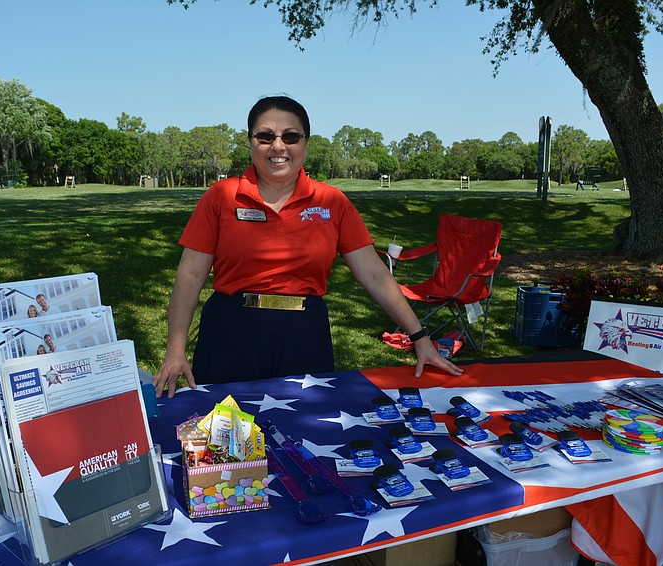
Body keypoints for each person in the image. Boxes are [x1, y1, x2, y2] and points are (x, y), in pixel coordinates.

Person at [154, 95, 462, 398]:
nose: (278, 146)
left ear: (305, 142)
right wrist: (175, 351)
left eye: (290, 136)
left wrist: (419, 337)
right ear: (250, 141)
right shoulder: (221, 196)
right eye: (265, 136)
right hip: (232, 332)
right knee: (226, 437)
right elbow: (191, 275)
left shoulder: (331, 201)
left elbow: (374, 274)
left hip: (303, 335)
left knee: (306, 435)